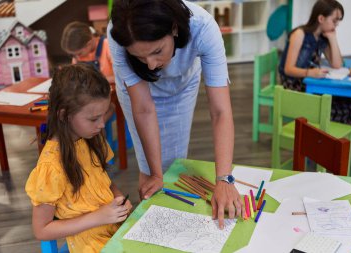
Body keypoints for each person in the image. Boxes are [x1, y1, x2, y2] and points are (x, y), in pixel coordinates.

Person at [108, 0, 244, 228]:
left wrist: (224, 179)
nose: (151, 65)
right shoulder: (119, 34)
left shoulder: (203, 28)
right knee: (151, 172)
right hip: (138, 92)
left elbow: (220, 111)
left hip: (182, 83)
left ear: (173, 28)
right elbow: (143, 109)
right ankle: (152, 231)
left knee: (174, 162)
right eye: (140, 57)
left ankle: (171, 228)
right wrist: (155, 174)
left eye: (157, 51)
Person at [25, 64, 132, 253]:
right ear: (64, 115)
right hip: (90, 244)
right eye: (93, 119)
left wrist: (118, 197)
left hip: (114, 227)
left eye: (103, 115)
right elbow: (41, 230)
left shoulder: (89, 138)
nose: (101, 125)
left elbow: (104, 181)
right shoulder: (52, 167)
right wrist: (99, 217)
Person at [279, 0, 351, 126]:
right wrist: (310, 72)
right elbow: (288, 69)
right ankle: (324, 138)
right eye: (334, 20)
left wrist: (333, 38)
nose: (337, 24)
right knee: (345, 106)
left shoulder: (322, 37)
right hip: (294, 85)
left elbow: (337, 64)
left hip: (310, 80)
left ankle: (331, 139)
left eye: (338, 21)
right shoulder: (299, 34)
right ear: (321, 18)